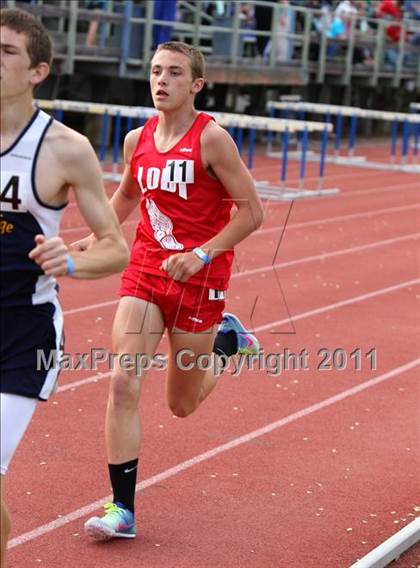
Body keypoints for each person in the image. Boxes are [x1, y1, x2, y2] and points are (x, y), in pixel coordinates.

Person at [81, 41, 264, 540]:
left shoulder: (213, 141)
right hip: (145, 270)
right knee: (122, 380)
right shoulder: (136, 139)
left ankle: (226, 342)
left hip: (199, 280)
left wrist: (202, 253)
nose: (162, 80)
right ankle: (122, 510)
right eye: (156, 71)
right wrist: (96, 236)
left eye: (175, 73)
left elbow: (253, 212)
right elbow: (126, 195)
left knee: (181, 405)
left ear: (196, 85)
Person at [0, 8, 129, 566]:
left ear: (38, 71)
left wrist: (69, 264)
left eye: (6, 51)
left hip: (21, 334)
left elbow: (115, 247)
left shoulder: (64, 149)